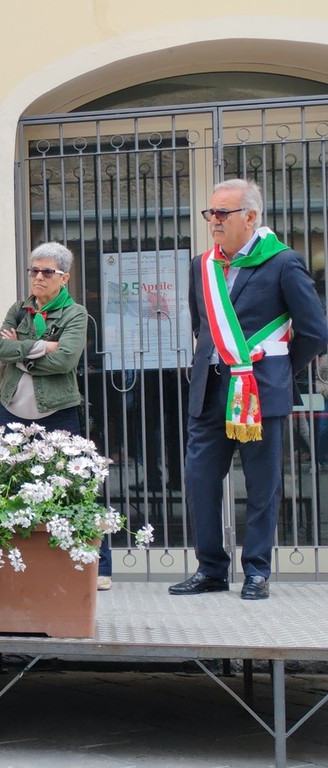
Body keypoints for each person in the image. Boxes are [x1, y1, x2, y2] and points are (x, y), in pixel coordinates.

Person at [170, 179, 328, 601]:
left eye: (223, 213)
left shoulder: (283, 262)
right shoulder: (201, 265)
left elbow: (315, 331)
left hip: (259, 392)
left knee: (261, 485)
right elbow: (202, 327)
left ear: (251, 217)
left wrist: (278, 371)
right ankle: (210, 569)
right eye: (211, 213)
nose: (214, 221)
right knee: (200, 481)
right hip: (209, 391)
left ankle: (257, 571)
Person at [0, 241, 113, 589]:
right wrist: (43, 346)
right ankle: (19, 564)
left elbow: (66, 360)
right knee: (11, 485)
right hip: (12, 409)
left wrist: (20, 355)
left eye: (47, 272)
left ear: (64, 277)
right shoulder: (19, 309)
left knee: (78, 484)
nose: (38, 278)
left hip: (57, 411)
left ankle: (99, 567)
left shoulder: (74, 314)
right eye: (34, 271)